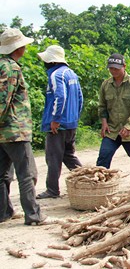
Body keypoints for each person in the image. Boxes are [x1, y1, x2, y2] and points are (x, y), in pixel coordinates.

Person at [0, 28, 46, 225]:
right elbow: (3, 100)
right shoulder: (11, 68)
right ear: (18, 47)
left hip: (3, 133)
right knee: (27, 174)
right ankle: (33, 215)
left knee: (2, 174)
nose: (26, 47)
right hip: (15, 131)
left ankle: (4, 212)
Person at [36, 45, 84, 199]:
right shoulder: (72, 74)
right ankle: (86, 180)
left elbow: (60, 97)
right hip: (71, 123)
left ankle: (52, 190)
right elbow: (80, 98)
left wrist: (55, 120)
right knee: (68, 155)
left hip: (58, 125)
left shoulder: (56, 75)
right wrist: (74, 117)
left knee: (53, 157)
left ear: (51, 61)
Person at [96, 54, 130, 184]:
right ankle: (98, 186)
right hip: (112, 129)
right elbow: (102, 106)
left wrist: (129, 126)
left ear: (124, 67)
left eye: (116, 68)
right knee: (103, 157)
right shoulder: (106, 85)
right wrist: (104, 123)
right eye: (111, 68)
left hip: (129, 131)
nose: (113, 71)